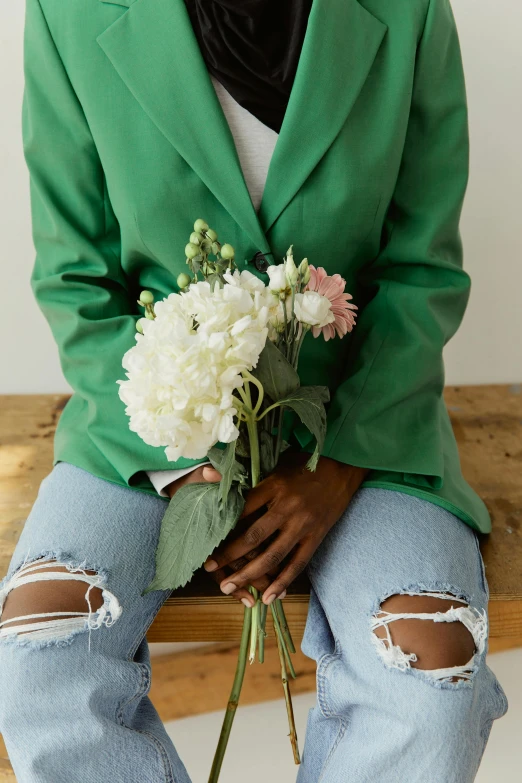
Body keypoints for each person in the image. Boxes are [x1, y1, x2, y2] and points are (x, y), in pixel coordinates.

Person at [0, 0, 508, 780]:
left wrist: (338, 460)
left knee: (430, 669)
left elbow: (422, 268)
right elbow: (76, 279)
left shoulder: (409, 12)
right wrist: (186, 454)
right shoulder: (67, 13)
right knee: (43, 648)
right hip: (149, 428)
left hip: (362, 417)